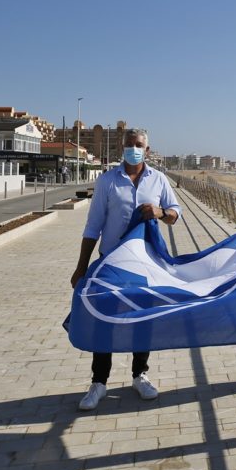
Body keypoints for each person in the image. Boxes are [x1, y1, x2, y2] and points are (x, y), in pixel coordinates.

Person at [71, 128, 181, 411]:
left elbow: (174, 213)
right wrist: (81, 267)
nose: (134, 148)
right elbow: (93, 226)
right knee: (104, 320)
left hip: (145, 264)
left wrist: (159, 212)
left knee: (142, 319)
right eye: (130, 144)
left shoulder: (158, 179)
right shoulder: (109, 181)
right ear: (123, 147)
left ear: (147, 148)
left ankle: (139, 375)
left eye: (139, 144)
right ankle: (99, 382)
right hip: (112, 262)